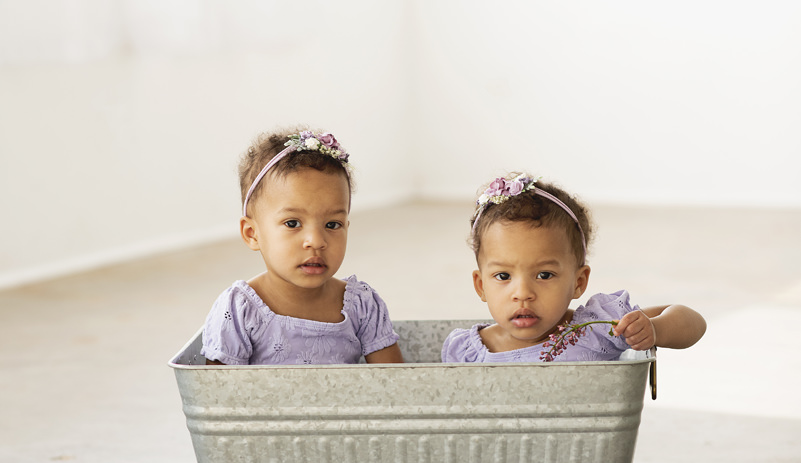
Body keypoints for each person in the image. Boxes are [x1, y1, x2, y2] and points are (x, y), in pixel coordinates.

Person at [442, 173, 706, 363]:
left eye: (544, 275)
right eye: (503, 276)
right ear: (481, 285)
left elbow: (693, 322)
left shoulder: (599, 328)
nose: (522, 293)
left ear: (578, 282)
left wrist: (655, 329)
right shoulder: (466, 352)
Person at [203, 128, 403, 365]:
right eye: (292, 223)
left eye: (332, 224)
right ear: (252, 234)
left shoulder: (362, 305)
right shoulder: (239, 310)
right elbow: (217, 397)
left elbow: (394, 387)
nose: (316, 241)